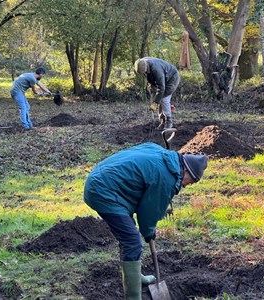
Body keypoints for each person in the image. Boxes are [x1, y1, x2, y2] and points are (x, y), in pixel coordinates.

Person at [84, 142, 208, 299]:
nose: (185, 186)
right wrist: (149, 232)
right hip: (103, 191)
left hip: (104, 180)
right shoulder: (166, 178)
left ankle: (135, 278)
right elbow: (148, 212)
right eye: (189, 182)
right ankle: (133, 296)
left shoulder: (161, 154)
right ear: (186, 171)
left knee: (129, 237)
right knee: (132, 242)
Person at [134, 57, 180, 130]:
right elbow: (148, 75)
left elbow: (161, 88)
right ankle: (162, 120)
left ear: (146, 66)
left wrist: (154, 104)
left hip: (172, 78)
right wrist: (150, 84)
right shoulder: (141, 63)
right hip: (163, 78)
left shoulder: (156, 69)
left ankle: (168, 121)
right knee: (159, 98)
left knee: (164, 99)